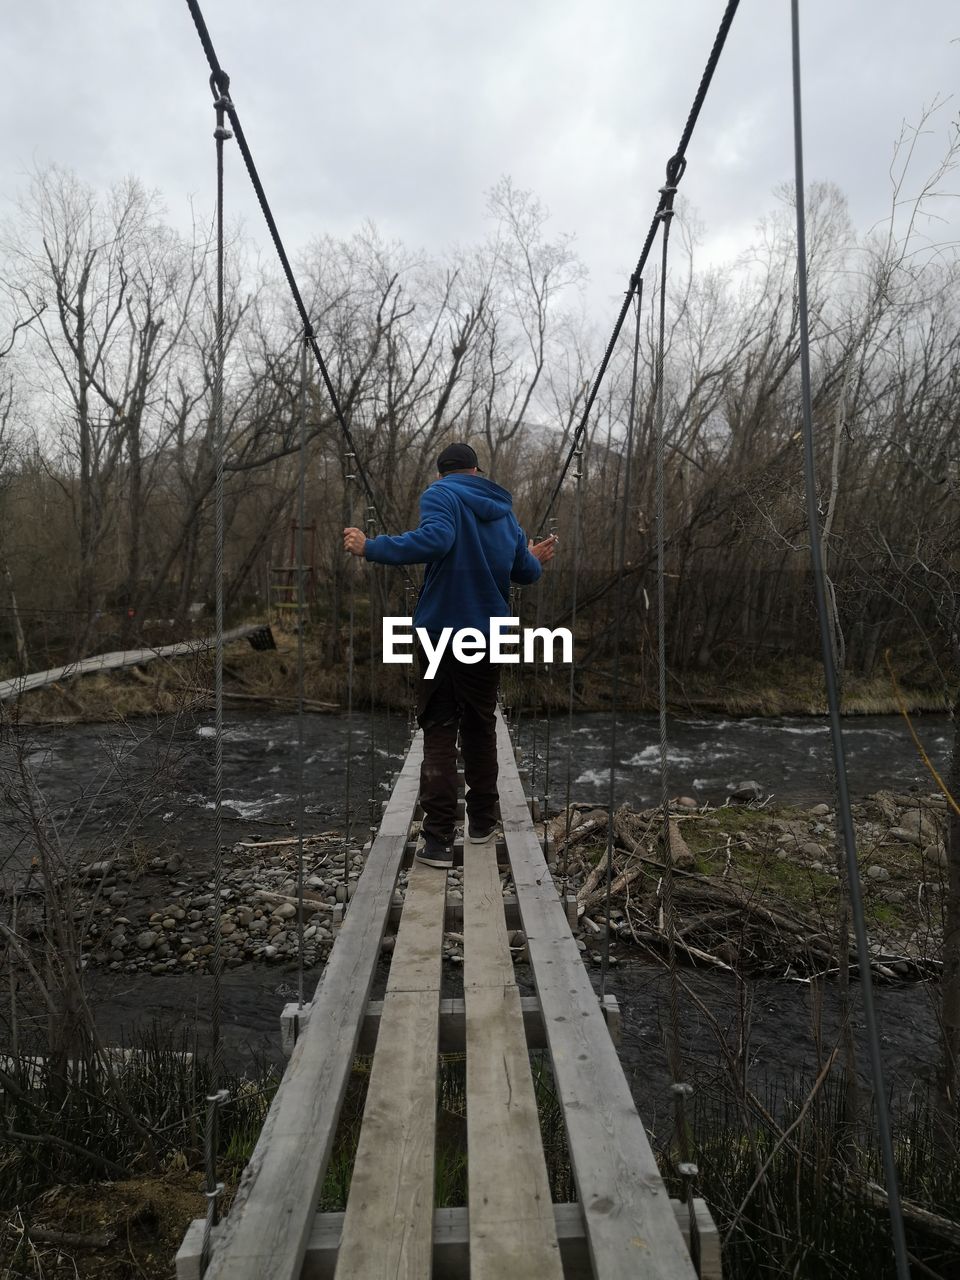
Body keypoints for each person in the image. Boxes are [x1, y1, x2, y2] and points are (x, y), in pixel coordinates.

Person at [343, 442, 556, 868]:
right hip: (488, 634)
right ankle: (481, 823)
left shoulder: (441, 494)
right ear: (477, 471)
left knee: (439, 727)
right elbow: (526, 573)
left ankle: (438, 840)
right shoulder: (503, 512)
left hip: (441, 631)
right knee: (480, 725)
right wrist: (532, 555)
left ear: (444, 474)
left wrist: (372, 547)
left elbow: (437, 539)